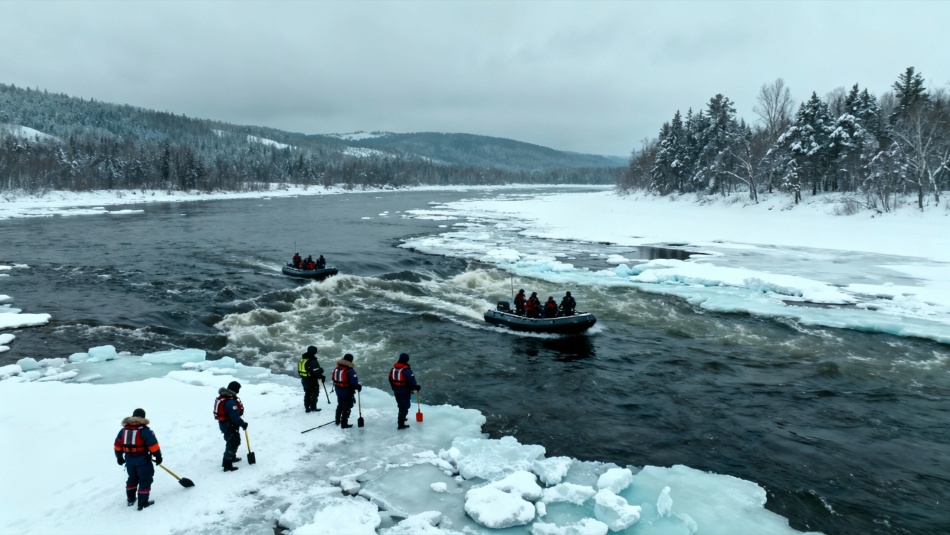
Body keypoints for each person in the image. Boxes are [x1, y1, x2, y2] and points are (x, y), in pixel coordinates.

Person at [114, 408, 162, 510]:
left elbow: (117, 445)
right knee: (145, 479)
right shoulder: (145, 431)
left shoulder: (123, 430)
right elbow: (153, 445)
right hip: (143, 461)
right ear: (143, 417)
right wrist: (158, 456)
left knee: (132, 478)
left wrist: (119, 457)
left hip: (129, 461)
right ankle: (143, 502)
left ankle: (131, 499)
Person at [214, 381, 247, 472]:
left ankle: (232, 457)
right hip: (229, 425)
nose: (239, 391)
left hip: (226, 424)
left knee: (232, 440)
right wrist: (242, 423)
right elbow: (234, 417)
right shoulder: (230, 402)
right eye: (238, 389)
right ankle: (227, 464)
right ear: (235, 389)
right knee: (233, 442)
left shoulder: (226, 397)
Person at [388, 352, 421, 430]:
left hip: (396, 391)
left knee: (400, 405)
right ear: (406, 360)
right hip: (404, 392)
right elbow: (412, 381)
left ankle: (402, 417)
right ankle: (401, 424)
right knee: (405, 406)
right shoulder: (407, 371)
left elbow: (390, 379)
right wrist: (416, 387)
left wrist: (393, 388)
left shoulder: (393, 369)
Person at [332, 353, 361, 429]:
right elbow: (354, 383)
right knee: (347, 407)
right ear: (351, 360)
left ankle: (337, 420)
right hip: (347, 392)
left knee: (340, 405)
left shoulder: (337, 368)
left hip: (338, 390)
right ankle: (344, 424)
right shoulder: (350, 370)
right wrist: (358, 387)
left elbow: (333, 378)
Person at [298, 345, 326, 413]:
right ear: (314, 352)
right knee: (314, 393)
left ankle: (307, 407)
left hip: (304, 379)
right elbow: (316, 372)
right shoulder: (313, 361)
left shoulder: (302, 359)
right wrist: (321, 374)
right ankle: (313, 408)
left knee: (307, 393)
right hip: (312, 380)